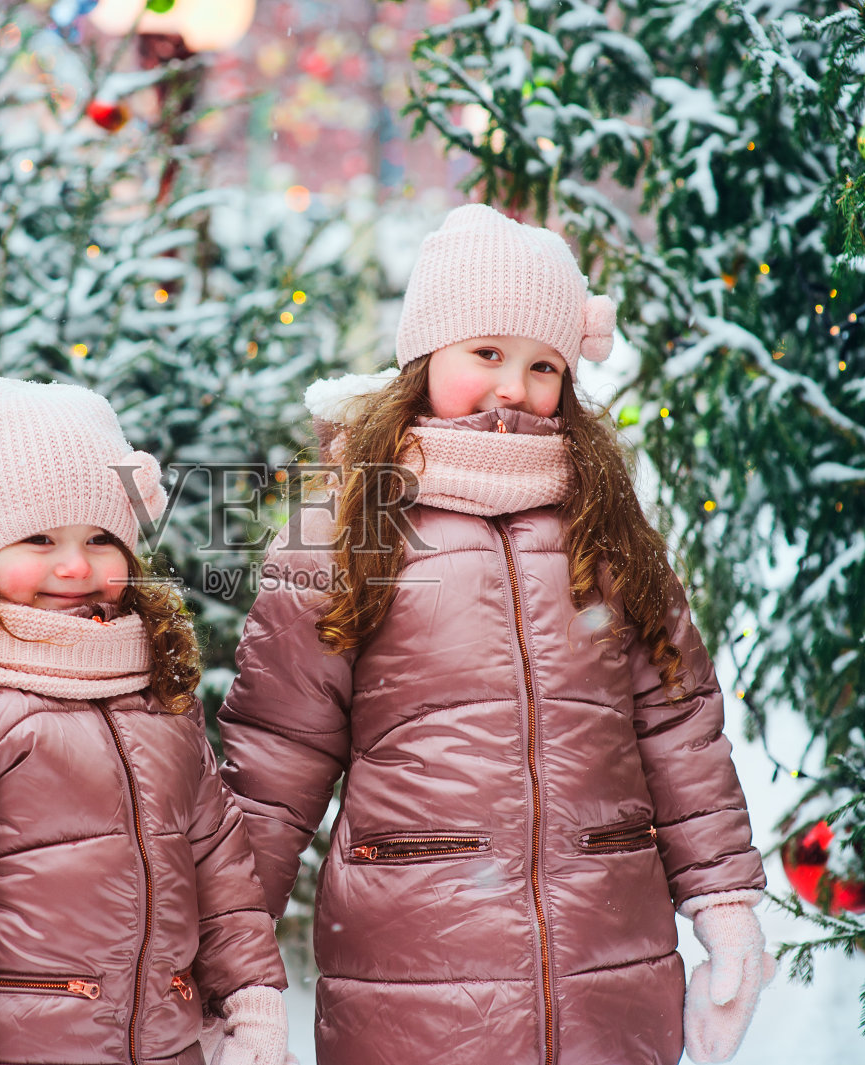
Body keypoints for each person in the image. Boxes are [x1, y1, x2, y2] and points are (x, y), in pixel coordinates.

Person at [217, 204, 774, 1065]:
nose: (513, 386)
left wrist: (727, 905)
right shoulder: (346, 529)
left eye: (543, 364)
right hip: (417, 970)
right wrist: (229, 965)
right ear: (424, 356)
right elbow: (273, 759)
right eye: (487, 353)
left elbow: (678, 725)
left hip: (608, 963)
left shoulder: (605, 524)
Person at [0, 379, 290, 1065]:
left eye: (102, 538)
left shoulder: (153, 690)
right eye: (40, 537)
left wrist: (250, 997)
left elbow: (218, 865)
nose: (76, 565)